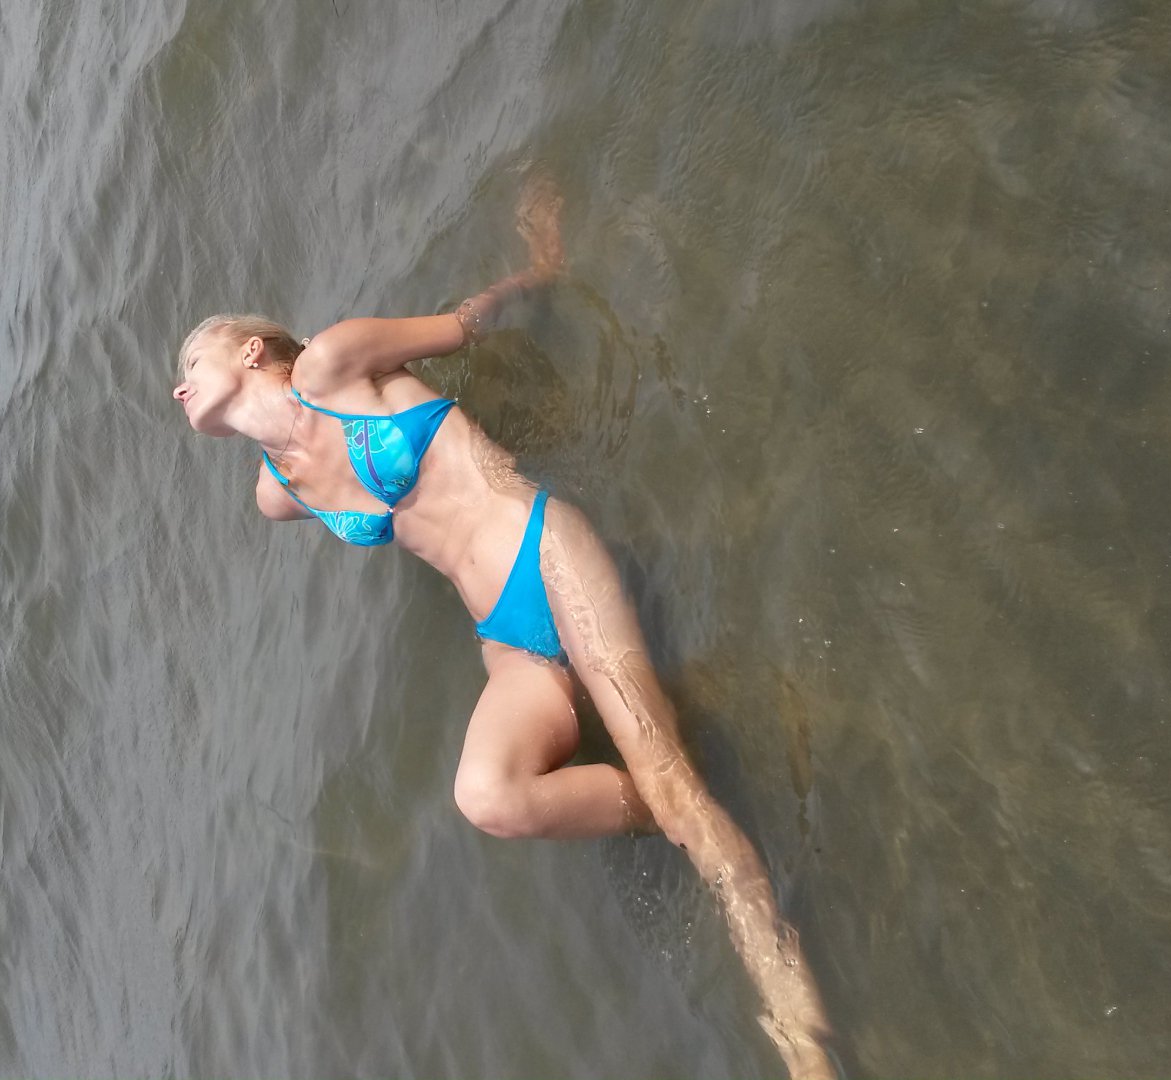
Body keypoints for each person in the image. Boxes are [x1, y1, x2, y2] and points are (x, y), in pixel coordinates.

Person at [171, 179, 835, 1079]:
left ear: (251, 350)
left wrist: (539, 269)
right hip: (505, 636)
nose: (178, 385)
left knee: (677, 793)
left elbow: (462, 327)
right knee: (487, 795)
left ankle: (800, 1035)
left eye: (193, 362)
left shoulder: (335, 363)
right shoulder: (274, 493)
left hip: (544, 550)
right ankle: (673, 795)